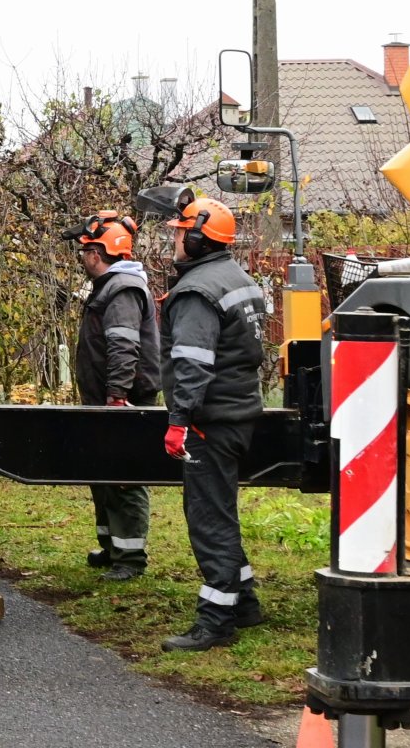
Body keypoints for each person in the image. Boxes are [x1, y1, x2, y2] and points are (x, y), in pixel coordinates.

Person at [147, 190, 268, 652]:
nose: (174, 241)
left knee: (208, 519)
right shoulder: (238, 277)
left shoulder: (197, 292)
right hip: (238, 413)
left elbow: (192, 364)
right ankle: (245, 603)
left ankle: (215, 621)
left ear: (198, 240)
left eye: (179, 234)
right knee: (221, 511)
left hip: (209, 421)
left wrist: (180, 419)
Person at [68, 210, 161, 581]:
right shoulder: (111, 286)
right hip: (105, 399)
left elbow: (123, 346)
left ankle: (130, 558)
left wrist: (118, 396)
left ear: (97, 253)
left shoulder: (122, 289)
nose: (82, 257)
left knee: (124, 476)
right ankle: (111, 546)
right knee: (103, 472)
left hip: (123, 401)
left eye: (85, 251)